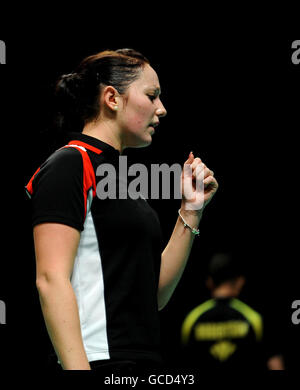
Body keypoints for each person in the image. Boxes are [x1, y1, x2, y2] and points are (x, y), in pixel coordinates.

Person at [25, 48, 218, 371]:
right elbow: (49, 278)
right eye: (152, 95)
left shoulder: (121, 181)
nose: (162, 109)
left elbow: (152, 296)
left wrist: (191, 210)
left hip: (141, 362)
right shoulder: (70, 164)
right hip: (95, 360)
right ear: (112, 98)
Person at [181, 252, 285, 370]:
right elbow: (275, 364)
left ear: (209, 282)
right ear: (240, 281)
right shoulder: (253, 318)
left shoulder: (192, 319)